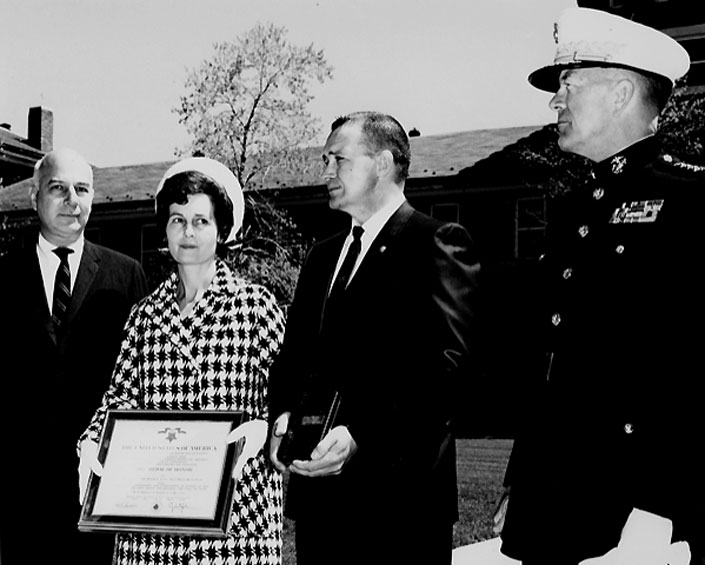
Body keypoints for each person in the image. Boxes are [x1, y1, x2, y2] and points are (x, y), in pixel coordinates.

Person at [495, 7, 705, 565]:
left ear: (619, 93)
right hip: (556, 496)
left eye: (569, 83)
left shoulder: (691, 202)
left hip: (636, 505)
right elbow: (554, 361)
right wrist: (523, 474)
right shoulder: (571, 210)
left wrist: (662, 503)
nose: (554, 101)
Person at [267, 111, 480, 565]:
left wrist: (362, 436)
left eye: (338, 160)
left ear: (382, 164)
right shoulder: (322, 256)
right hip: (321, 499)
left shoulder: (436, 242)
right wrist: (284, 415)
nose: (325, 172)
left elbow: (446, 371)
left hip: (400, 505)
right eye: (325, 160)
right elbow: (296, 356)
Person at [78, 156, 286, 565]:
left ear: (222, 229)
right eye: (177, 220)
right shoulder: (143, 316)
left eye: (200, 221)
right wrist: (90, 441)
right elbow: (118, 399)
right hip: (153, 532)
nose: (188, 232)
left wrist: (268, 424)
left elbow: (288, 395)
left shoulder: (256, 306)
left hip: (237, 520)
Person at [0, 148, 149, 564]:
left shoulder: (126, 274)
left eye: (81, 189)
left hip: (100, 484)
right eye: (58, 188)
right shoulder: (3, 275)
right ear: (34, 197)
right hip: (21, 491)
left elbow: (140, 376)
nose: (71, 200)